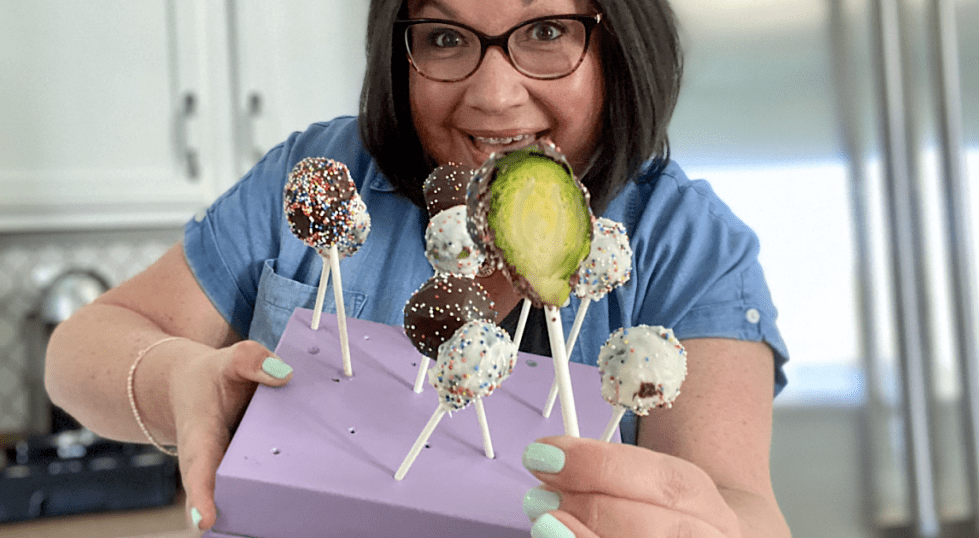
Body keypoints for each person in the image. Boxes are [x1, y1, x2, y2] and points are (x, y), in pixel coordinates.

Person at [45, 0, 792, 536]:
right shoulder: (322, 175)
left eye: (545, 30)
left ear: (622, 39)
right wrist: (180, 379)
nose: (494, 96)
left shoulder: (688, 242)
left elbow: (742, 506)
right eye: (442, 36)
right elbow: (80, 350)